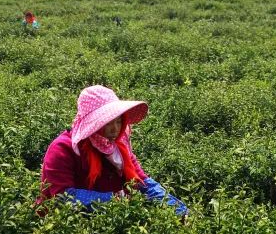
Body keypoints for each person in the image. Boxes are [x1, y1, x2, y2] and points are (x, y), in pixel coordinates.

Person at [38, 85, 187, 217]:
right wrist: (115, 199)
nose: (115, 129)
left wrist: (180, 211)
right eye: (107, 123)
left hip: (107, 219)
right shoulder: (63, 149)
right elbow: (63, 197)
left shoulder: (119, 146)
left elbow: (143, 183)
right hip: (64, 226)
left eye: (118, 121)